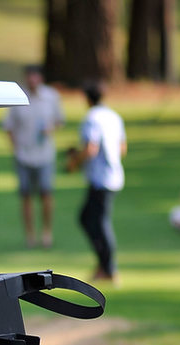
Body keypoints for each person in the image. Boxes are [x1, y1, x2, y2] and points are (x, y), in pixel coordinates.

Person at [3, 64, 65, 248]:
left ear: (41, 78)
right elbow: (9, 127)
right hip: (23, 155)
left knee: (46, 193)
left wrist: (50, 129)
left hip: (45, 155)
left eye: (35, 76)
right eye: (29, 76)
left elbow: (59, 120)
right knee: (26, 196)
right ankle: (30, 235)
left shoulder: (51, 96)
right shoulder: (18, 97)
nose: (32, 80)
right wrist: (15, 147)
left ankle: (46, 232)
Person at [71, 81, 126, 283]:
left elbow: (90, 148)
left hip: (101, 178)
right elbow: (122, 148)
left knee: (99, 222)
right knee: (88, 219)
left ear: (87, 98)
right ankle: (104, 265)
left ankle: (109, 269)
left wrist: (74, 162)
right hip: (114, 175)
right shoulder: (114, 116)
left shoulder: (91, 118)